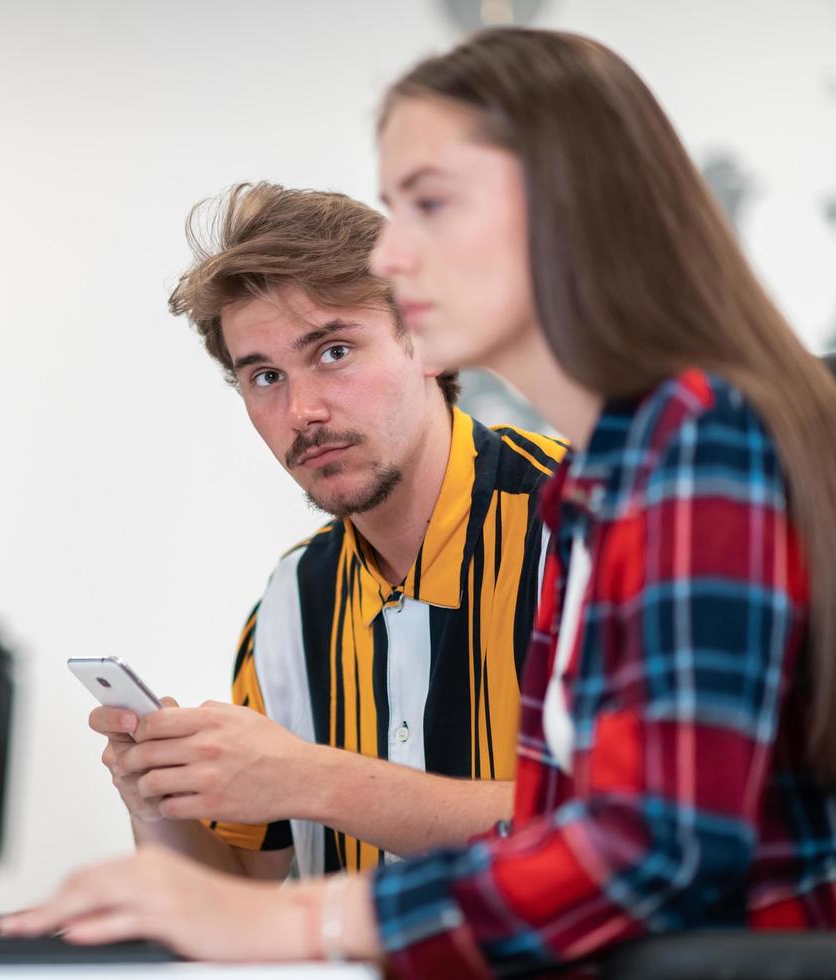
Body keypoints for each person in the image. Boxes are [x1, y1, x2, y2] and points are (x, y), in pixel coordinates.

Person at [0, 28, 836, 973]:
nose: (401, 256)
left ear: (567, 211)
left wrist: (310, 919)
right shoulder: (612, 481)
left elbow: (652, 855)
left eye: (429, 206)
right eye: (261, 375)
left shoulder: (699, 446)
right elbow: (559, 833)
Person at [91, 183, 565, 881]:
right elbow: (238, 891)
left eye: (334, 351)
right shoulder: (290, 600)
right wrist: (156, 800)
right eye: (264, 376)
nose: (300, 409)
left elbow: (631, 831)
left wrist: (310, 779)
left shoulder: (588, 526)